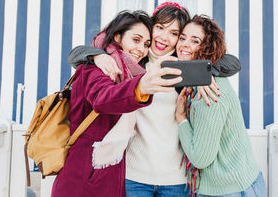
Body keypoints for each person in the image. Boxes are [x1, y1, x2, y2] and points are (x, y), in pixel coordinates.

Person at [68, 3, 242, 197]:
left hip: (176, 179)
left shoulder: (183, 67)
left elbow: (232, 62)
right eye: (159, 27)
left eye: (174, 33)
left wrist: (206, 72)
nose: (164, 38)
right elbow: (76, 53)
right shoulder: (131, 60)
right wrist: (96, 55)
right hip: (134, 176)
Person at [51, 11, 182, 197]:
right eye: (135, 40)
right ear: (118, 37)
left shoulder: (131, 70)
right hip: (85, 176)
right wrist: (141, 87)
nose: (141, 49)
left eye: (146, 44)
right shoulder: (97, 67)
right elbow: (103, 98)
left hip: (113, 175)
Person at [175, 15, 267, 197]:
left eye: (195, 41)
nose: (184, 44)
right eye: (182, 37)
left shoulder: (207, 92)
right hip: (240, 182)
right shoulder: (199, 82)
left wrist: (181, 119)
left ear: (207, 48)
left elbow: (201, 159)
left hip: (229, 189)